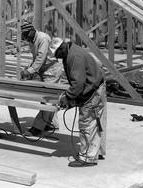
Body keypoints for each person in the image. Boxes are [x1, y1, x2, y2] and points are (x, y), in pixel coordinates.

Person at [50, 37, 107, 167]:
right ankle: (96, 151)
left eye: (56, 55)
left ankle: (88, 158)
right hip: (94, 87)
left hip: (93, 90)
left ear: (60, 49)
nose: (57, 58)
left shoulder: (74, 57)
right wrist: (73, 99)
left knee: (86, 122)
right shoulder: (70, 51)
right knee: (95, 122)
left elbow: (78, 84)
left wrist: (67, 97)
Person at [20, 21, 64, 136]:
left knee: (47, 100)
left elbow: (41, 57)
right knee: (51, 99)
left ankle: (37, 127)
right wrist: (29, 68)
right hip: (45, 69)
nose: (26, 38)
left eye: (26, 35)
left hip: (53, 70)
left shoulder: (43, 38)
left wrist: (29, 71)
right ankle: (51, 124)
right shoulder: (32, 39)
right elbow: (36, 58)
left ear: (32, 31)